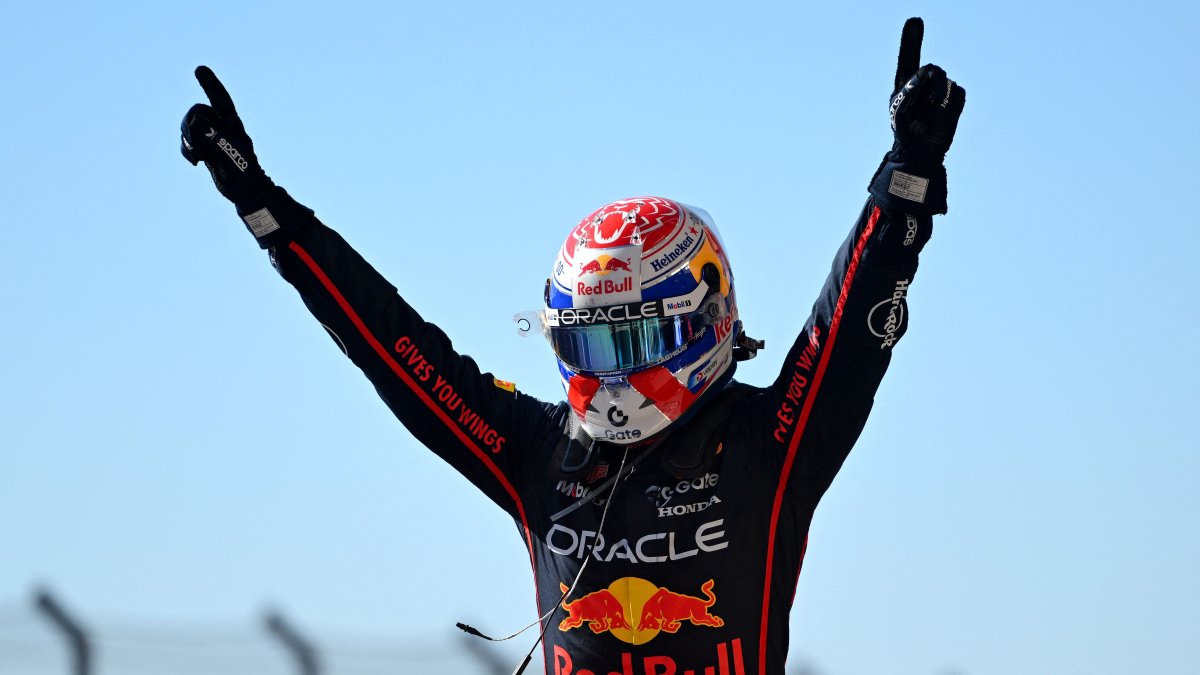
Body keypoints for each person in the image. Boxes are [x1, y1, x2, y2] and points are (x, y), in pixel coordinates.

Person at [181, 17, 964, 675]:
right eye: (592, 345)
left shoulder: (770, 444)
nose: (616, 373)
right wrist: (266, 211)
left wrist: (904, 180)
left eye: (642, 337)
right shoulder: (537, 451)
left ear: (708, 317)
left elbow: (848, 329)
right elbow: (393, 345)